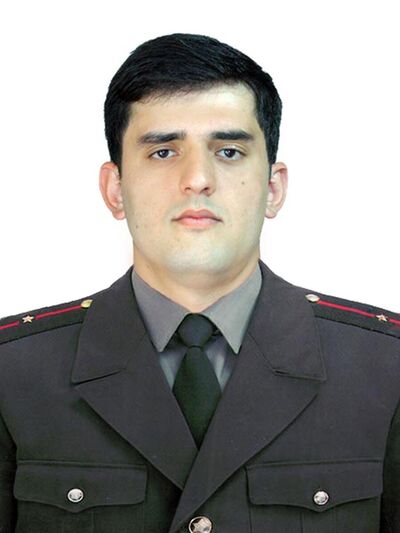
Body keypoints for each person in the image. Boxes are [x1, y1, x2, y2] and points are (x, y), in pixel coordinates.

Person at [0, 32, 399, 533]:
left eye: (229, 151)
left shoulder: (385, 369)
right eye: (163, 152)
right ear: (115, 188)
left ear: (273, 188)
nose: (197, 178)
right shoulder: (13, 374)